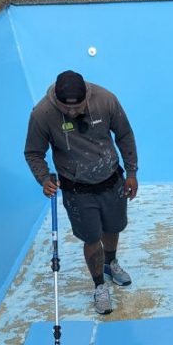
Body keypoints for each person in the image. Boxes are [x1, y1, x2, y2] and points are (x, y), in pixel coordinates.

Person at [25, 70, 138, 314]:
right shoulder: (42, 114)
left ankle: (111, 263)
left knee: (113, 227)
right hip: (78, 190)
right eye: (67, 109)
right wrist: (44, 178)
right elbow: (34, 152)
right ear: (57, 100)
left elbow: (125, 134)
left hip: (112, 180)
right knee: (91, 238)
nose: (73, 113)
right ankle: (99, 286)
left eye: (78, 108)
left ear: (87, 96)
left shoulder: (106, 100)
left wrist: (131, 172)